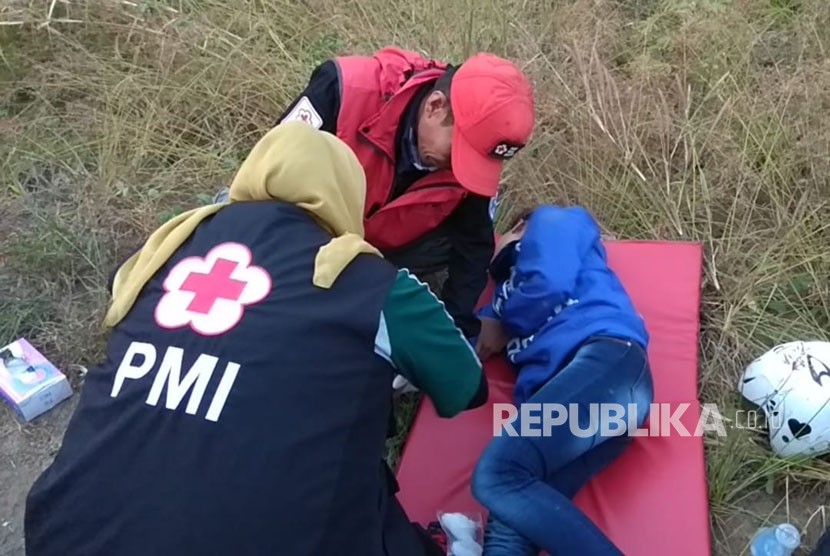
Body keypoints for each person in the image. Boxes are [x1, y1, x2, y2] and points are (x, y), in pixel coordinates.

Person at [24, 122, 487, 556]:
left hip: (61, 530)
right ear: (346, 194)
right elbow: (467, 384)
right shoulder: (369, 284)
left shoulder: (163, 251)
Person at [215, 47, 535, 342]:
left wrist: (458, 329)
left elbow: (473, 246)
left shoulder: (468, 164)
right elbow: (266, 174)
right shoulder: (346, 91)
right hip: (306, 225)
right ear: (435, 107)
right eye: (460, 152)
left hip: (385, 246)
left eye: (478, 162)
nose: (461, 169)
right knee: (236, 220)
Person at [470, 205, 654, 556]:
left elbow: (548, 282)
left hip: (606, 364)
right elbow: (465, 343)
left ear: (519, 227)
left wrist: (503, 324)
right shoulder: (500, 301)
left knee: (497, 474)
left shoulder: (552, 221)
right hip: (574, 413)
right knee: (508, 526)